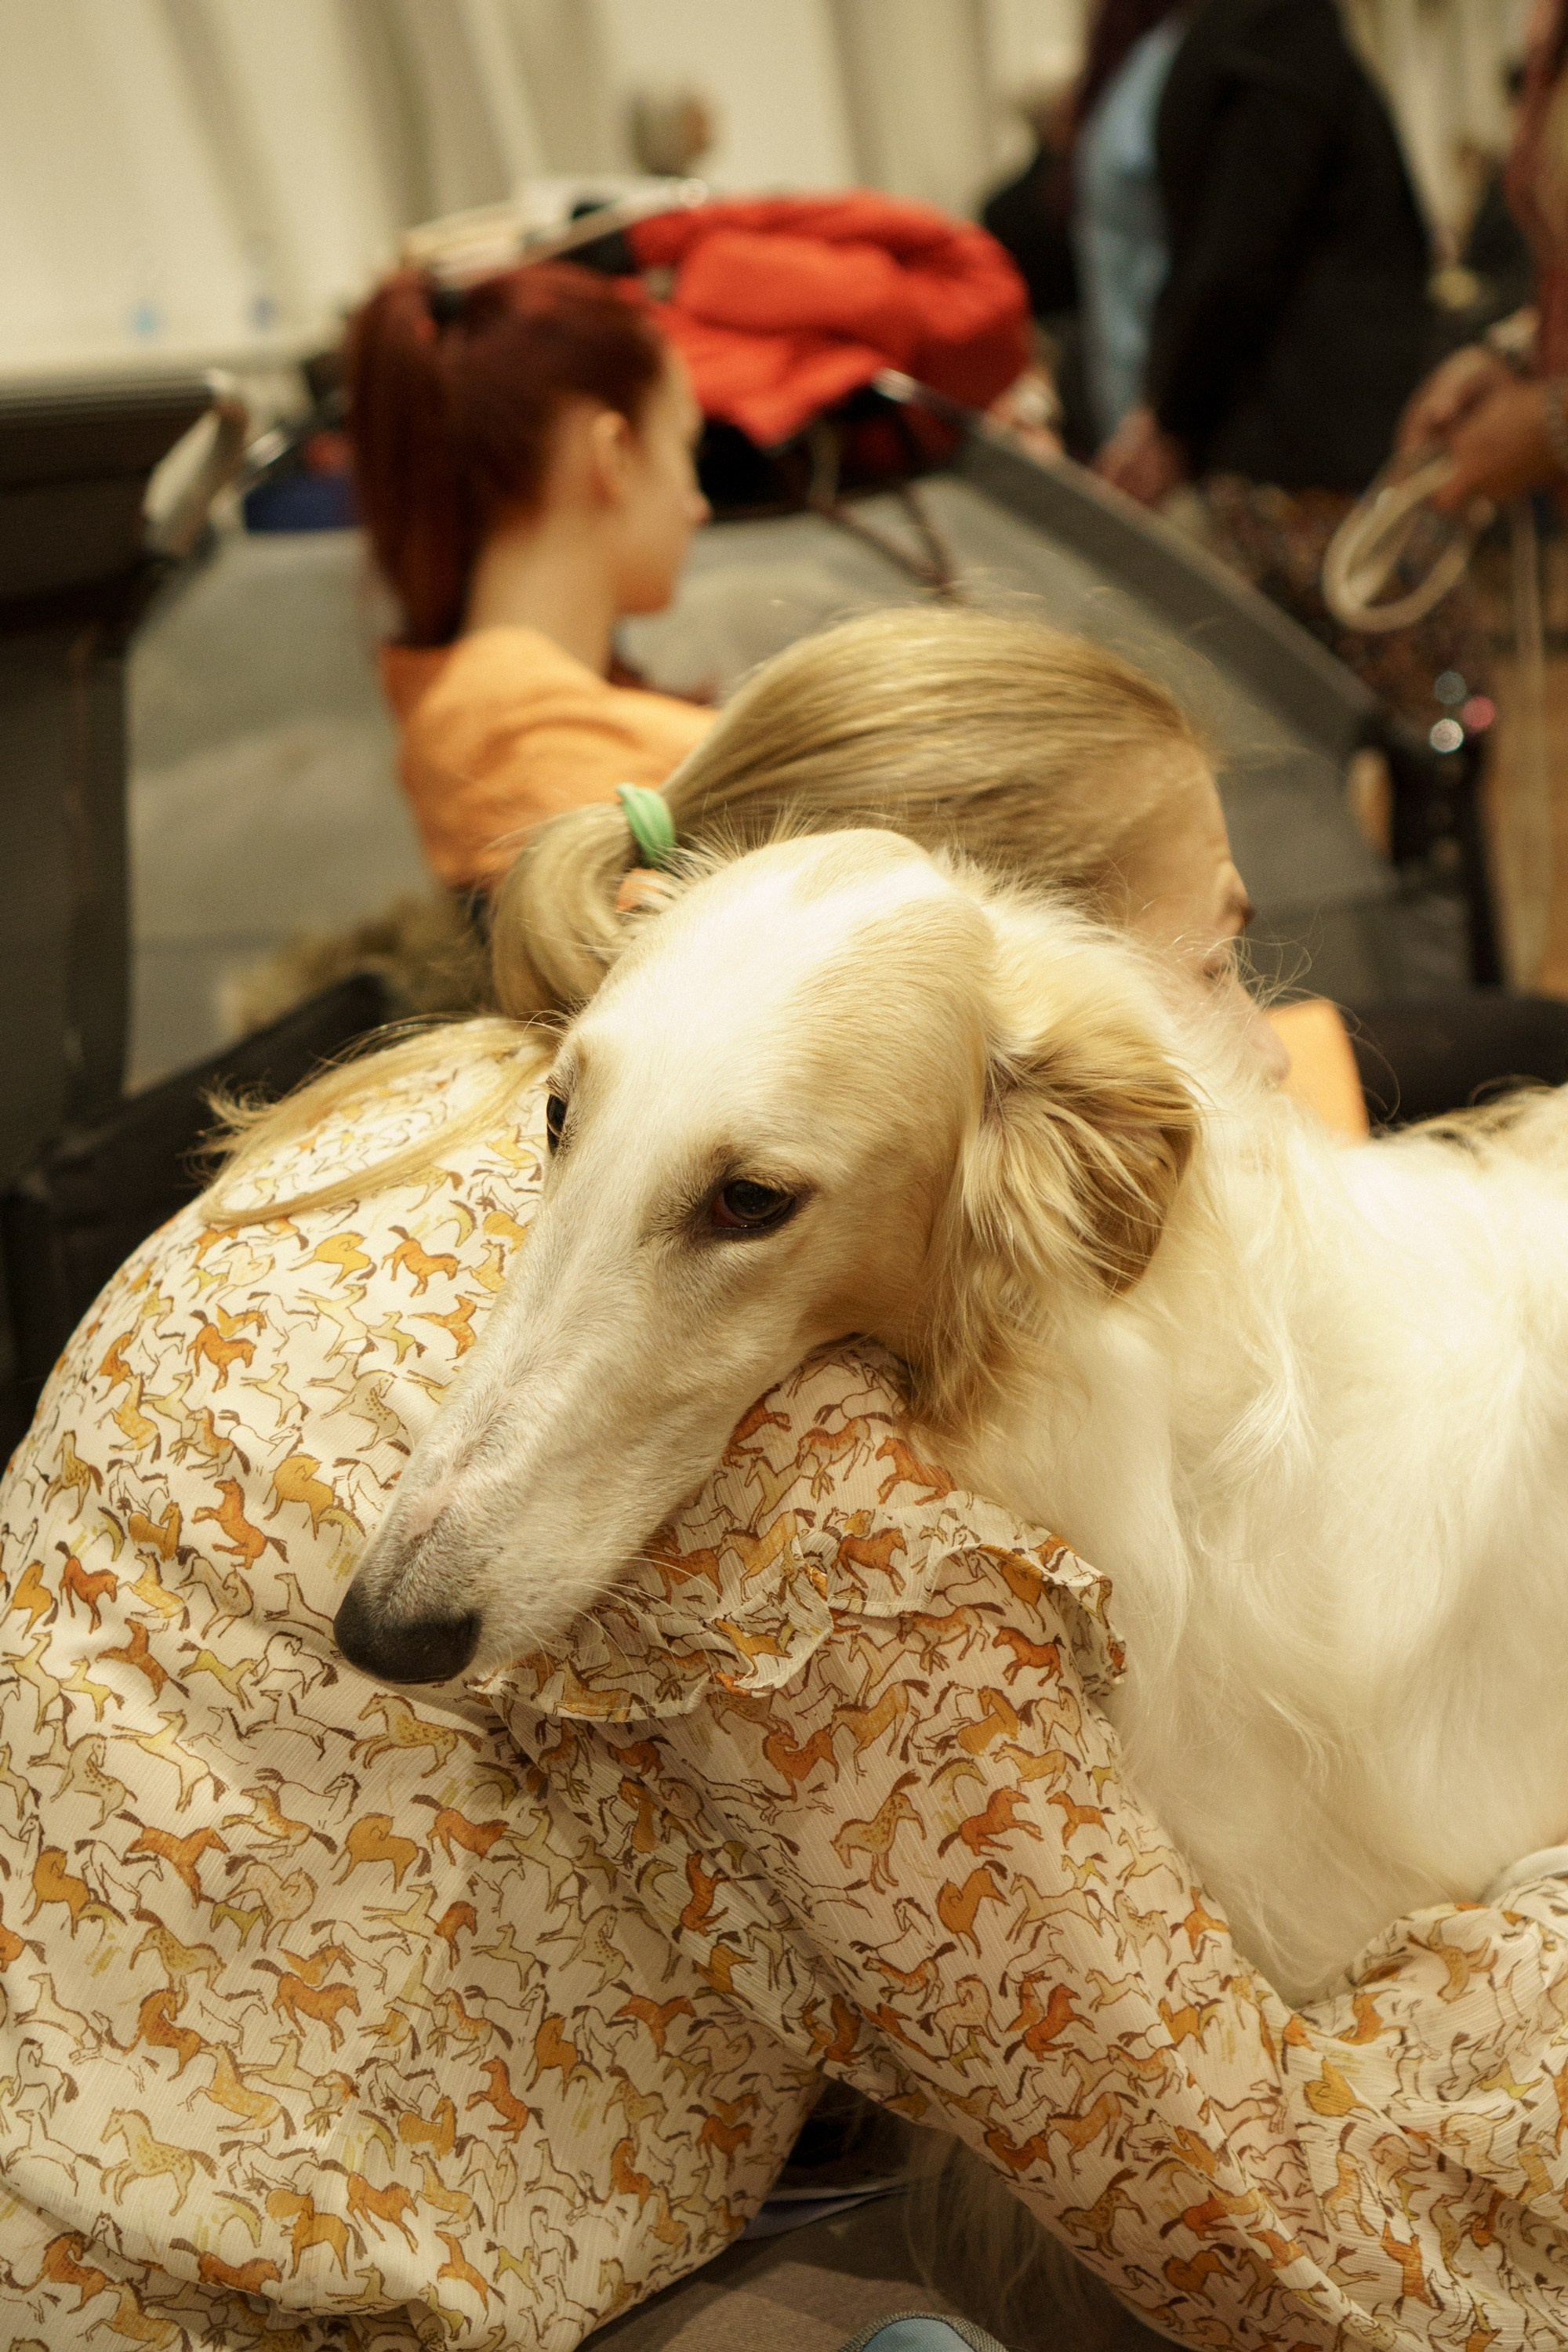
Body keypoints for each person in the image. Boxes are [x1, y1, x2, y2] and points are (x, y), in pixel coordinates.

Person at [9, 611, 1568, 2350]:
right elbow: (1263, 2231)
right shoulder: (829, 1519)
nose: (1261, 1051)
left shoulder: (433, 1103)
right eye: (1208, 966)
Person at [348, 260, 713, 900]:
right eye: (686, 445)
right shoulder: (525, 743)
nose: (696, 506)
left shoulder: (484, 716)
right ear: (615, 456)